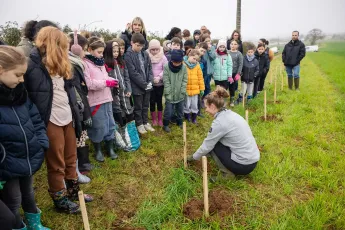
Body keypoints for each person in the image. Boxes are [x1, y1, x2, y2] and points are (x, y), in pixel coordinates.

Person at [24, 26, 93, 214]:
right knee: (56, 162)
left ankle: (73, 192)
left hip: (67, 117)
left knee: (71, 157)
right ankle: (59, 199)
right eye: (62, 46)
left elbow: (70, 91)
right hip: (50, 120)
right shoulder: (32, 67)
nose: (65, 50)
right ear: (51, 45)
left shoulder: (63, 64)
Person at [0, 46, 50, 229]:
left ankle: (34, 223)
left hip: (27, 154)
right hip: (8, 163)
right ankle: (17, 226)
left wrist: (42, 142)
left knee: (29, 192)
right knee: (13, 199)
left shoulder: (20, 92)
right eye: (18, 75)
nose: (22, 79)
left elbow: (36, 118)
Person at [187, 86, 260, 180]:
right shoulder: (230, 114)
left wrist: (193, 158)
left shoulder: (220, 123)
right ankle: (211, 156)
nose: (205, 110)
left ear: (213, 106)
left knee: (214, 145)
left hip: (243, 165)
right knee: (216, 142)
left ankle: (227, 174)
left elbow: (207, 145)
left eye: (206, 107)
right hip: (252, 160)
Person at [84, 36, 119, 162]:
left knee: (110, 123)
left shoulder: (101, 63)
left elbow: (104, 77)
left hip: (107, 98)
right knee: (98, 125)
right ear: (89, 49)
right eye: (99, 52)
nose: (101, 55)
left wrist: (112, 81)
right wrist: (106, 83)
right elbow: (89, 83)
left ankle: (110, 147)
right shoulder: (85, 64)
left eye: (102, 52)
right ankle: (98, 150)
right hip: (95, 101)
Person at [68, 31, 93, 183]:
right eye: (84, 49)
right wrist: (86, 111)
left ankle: (83, 164)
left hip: (80, 106)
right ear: (77, 49)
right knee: (79, 137)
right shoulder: (72, 66)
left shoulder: (77, 64)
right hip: (77, 108)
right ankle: (79, 168)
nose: (85, 52)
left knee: (82, 136)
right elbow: (77, 91)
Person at [125, 33, 154, 134]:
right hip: (137, 87)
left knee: (146, 105)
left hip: (147, 85)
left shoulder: (145, 53)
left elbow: (150, 68)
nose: (140, 48)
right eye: (138, 45)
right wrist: (144, 84)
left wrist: (150, 81)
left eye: (142, 46)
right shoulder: (128, 55)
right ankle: (139, 124)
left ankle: (145, 122)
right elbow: (133, 73)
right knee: (138, 107)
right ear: (132, 43)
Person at [162, 50, 188, 132]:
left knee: (180, 110)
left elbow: (185, 80)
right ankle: (165, 124)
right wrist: (168, 93)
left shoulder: (184, 67)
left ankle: (179, 122)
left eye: (178, 62)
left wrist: (183, 91)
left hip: (180, 93)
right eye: (174, 62)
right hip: (170, 94)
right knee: (168, 110)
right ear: (171, 60)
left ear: (181, 61)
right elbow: (166, 81)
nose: (176, 64)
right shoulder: (166, 67)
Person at [147, 39, 168, 127]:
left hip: (160, 84)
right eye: (153, 50)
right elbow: (146, 69)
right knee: (151, 101)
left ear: (160, 49)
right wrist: (151, 78)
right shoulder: (147, 56)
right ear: (150, 49)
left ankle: (160, 119)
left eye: (157, 49)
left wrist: (159, 77)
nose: (155, 51)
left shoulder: (163, 57)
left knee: (159, 101)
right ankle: (154, 119)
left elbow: (165, 69)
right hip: (151, 84)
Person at [183, 49, 205, 124]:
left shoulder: (197, 66)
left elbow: (200, 77)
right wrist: (183, 89)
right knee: (187, 104)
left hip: (195, 90)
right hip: (186, 90)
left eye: (196, 59)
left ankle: (194, 118)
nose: (195, 60)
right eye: (194, 58)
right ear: (189, 56)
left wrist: (202, 89)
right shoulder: (183, 65)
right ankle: (187, 116)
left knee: (194, 104)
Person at [200, 33, 216, 99]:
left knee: (208, 86)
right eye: (206, 41)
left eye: (209, 41)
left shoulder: (212, 48)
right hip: (203, 70)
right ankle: (201, 99)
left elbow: (213, 57)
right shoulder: (202, 48)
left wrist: (209, 50)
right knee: (202, 85)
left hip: (209, 71)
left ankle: (206, 99)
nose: (208, 42)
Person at [228, 39, 243, 107]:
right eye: (232, 44)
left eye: (235, 44)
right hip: (227, 73)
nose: (233, 45)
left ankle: (232, 100)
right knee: (225, 86)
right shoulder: (227, 52)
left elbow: (240, 64)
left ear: (238, 45)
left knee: (232, 87)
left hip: (234, 73)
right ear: (229, 45)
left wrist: (238, 73)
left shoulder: (239, 54)